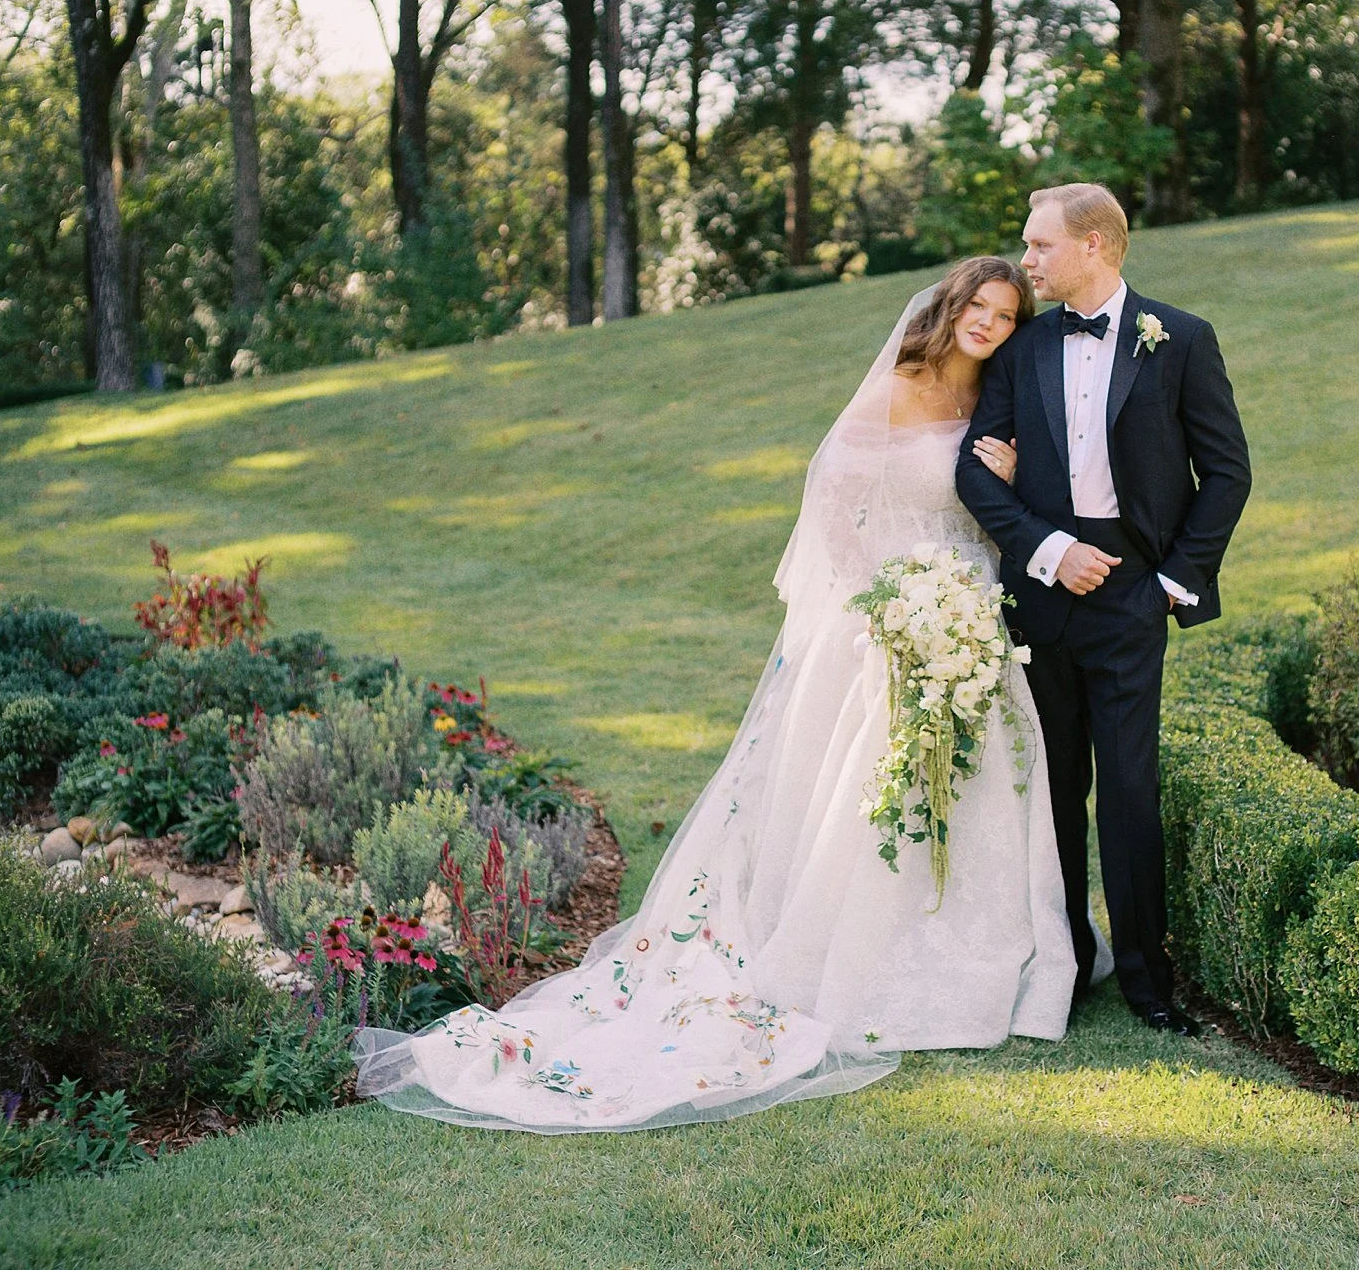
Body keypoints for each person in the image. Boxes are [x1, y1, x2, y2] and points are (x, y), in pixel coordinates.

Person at [354, 257, 1079, 1133]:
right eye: (979, 306)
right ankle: (862, 956)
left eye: (1006, 313)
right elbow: (832, 497)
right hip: (889, 615)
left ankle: (985, 953)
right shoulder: (899, 384)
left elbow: (1005, 506)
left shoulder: (997, 393)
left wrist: (1006, 484)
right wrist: (877, 609)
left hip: (969, 611)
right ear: (953, 305)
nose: (989, 323)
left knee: (985, 781)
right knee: (869, 792)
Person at [956, 184, 1251, 1036]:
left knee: (1127, 788)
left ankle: (1148, 979)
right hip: (1041, 596)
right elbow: (974, 469)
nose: (1027, 260)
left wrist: (1169, 582)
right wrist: (1049, 549)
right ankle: (1066, 958)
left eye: (1040, 244)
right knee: (1051, 789)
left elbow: (1226, 471)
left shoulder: (1181, 339)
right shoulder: (1021, 348)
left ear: (1094, 245)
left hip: (1132, 598)